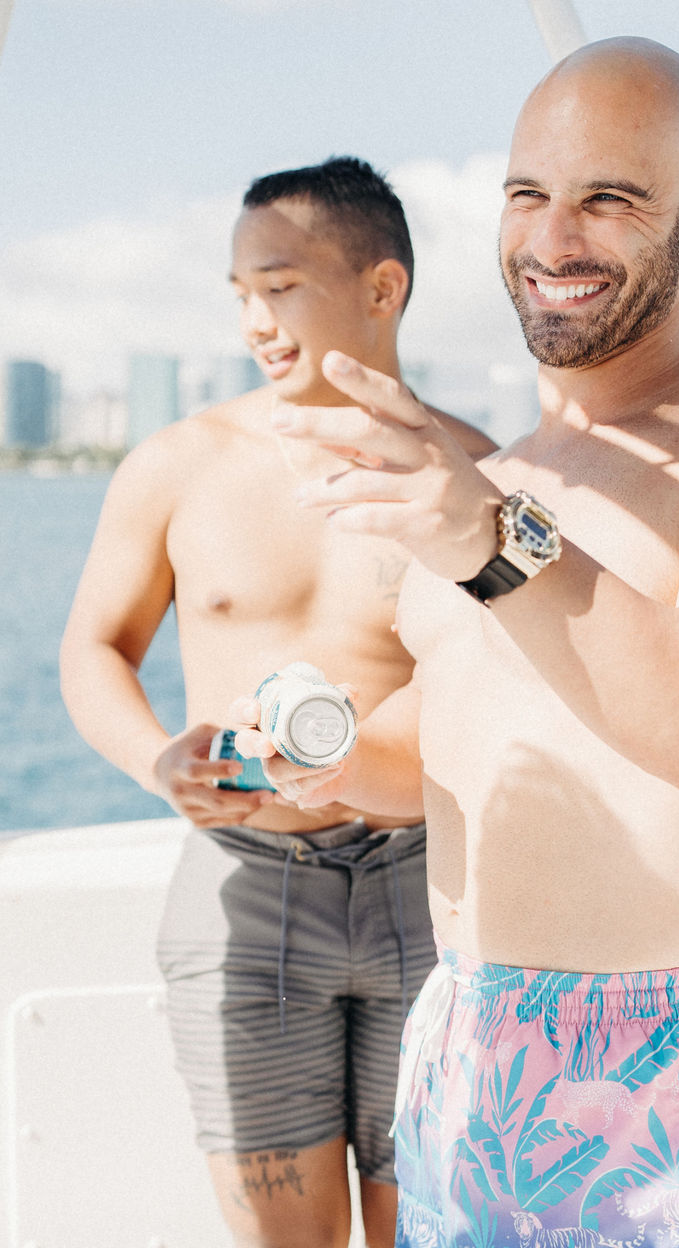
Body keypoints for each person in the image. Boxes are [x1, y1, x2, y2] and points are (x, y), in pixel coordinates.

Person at [232, 38, 679, 1248]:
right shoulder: (502, 478)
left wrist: (489, 539)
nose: (554, 236)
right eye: (528, 193)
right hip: (461, 1040)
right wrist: (309, 759)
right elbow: (449, 741)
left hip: (656, 1076)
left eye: (610, 198)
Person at [59, 155, 494, 1248]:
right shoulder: (177, 464)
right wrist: (158, 761)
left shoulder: (474, 476)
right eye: (241, 292)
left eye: (282, 285)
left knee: (431, 1231)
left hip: (429, 890)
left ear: (382, 288)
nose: (255, 318)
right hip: (245, 897)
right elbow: (97, 649)